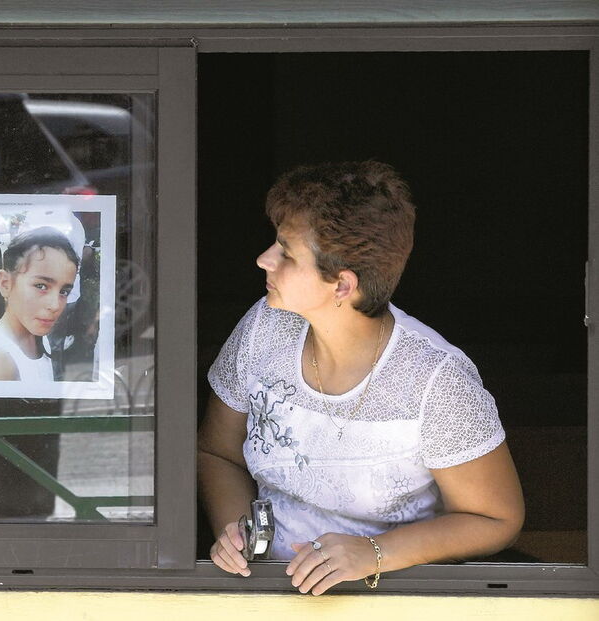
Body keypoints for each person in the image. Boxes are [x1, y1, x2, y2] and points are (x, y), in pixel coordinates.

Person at [198, 161, 524, 595]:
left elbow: (496, 520)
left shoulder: (437, 381)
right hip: (267, 590)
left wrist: (375, 552)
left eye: (286, 252)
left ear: (342, 285)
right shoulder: (264, 329)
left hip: (388, 596)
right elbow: (216, 452)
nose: (264, 259)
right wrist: (239, 535)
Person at [0, 226, 80, 381]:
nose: (55, 306)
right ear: (5, 284)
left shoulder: (38, 336)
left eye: (64, 291)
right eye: (41, 286)